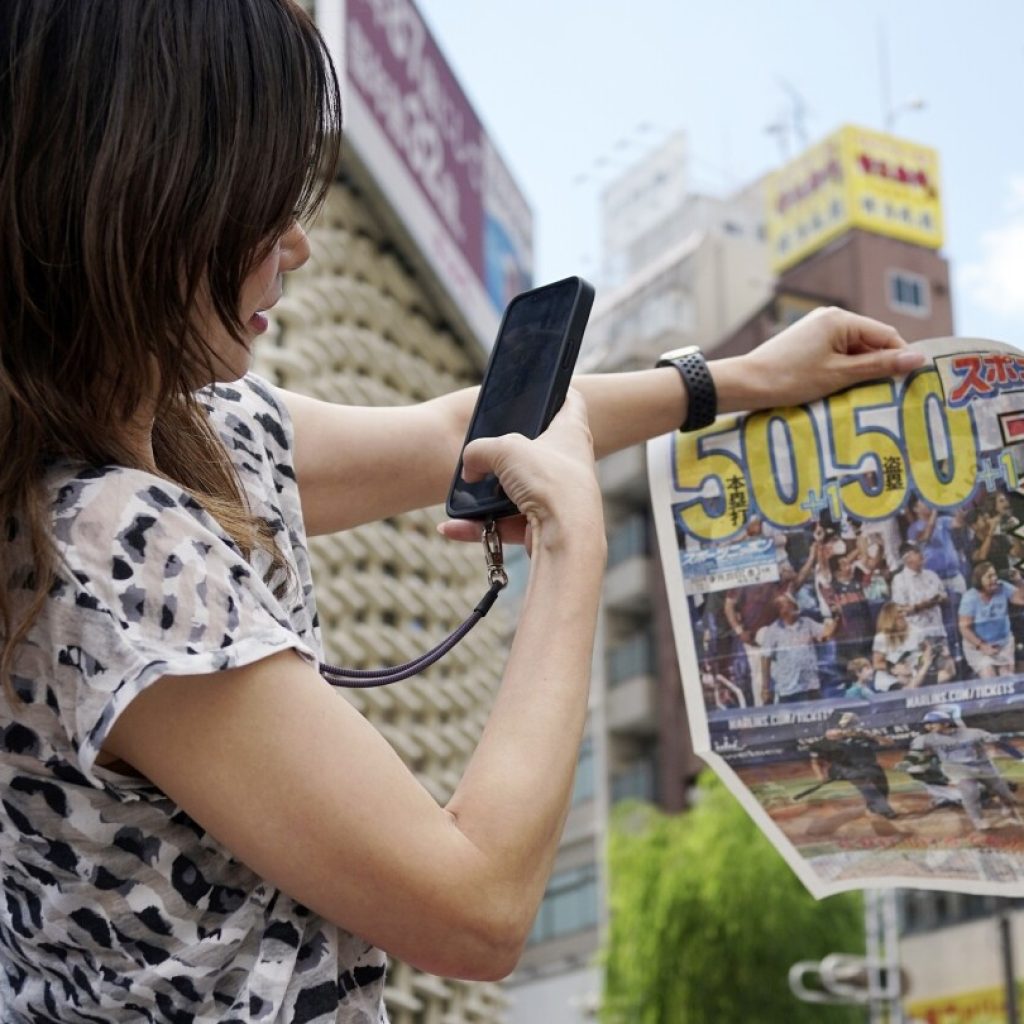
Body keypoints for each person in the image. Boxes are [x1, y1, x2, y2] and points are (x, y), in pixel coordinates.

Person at [0, 1, 926, 1018]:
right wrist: (572, 545)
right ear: (140, 199)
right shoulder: (110, 549)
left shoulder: (173, 434)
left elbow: (464, 435)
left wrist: (731, 379)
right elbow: (476, 906)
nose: (296, 247)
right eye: (261, 203)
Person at [909, 711, 1022, 830]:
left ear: (946, 723)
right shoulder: (929, 739)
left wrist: (1020, 757)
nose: (928, 727)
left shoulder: (973, 733)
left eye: (932, 723)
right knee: (970, 793)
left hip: (983, 768)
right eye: (927, 724)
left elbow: (1000, 743)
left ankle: (1006, 806)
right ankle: (978, 820)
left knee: (1004, 793)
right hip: (959, 770)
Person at [807, 712, 897, 818]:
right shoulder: (826, 741)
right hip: (846, 769)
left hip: (870, 766)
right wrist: (820, 776)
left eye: (852, 724)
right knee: (866, 786)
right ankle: (885, 810)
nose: (850, 727)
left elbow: (889, 743)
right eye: (848, 725)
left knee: (882, 788)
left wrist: (871, 735)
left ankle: (875, 806)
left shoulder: (861, 736)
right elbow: (816, 762)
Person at [759, 594, 838, 703]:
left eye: (793, 604)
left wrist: (835, 618)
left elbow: (825, 635)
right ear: (781, 611)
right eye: (789, 605)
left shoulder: (807, 622)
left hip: (810, 684)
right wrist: (766, 687)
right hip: (788, 687)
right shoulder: (773, 631)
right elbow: (765, 658)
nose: (794, 606)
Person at [958, 561, 1024, 677]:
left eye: (995, 575)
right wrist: (982, 645)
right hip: (977, 646)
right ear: (979, 581)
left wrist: (1019, 581)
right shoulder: (969, 598)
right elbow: (964, 628)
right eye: (989, 576)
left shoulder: (1002, 587)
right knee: (989, 676)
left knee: (1007, 679)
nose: (994, 579)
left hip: (1003, 643)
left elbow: (1021, 599)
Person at [891, 541, 948, 647]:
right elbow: (900, 610)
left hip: (937, 631)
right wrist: (919, 606)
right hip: (918, 636)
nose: (922, 554)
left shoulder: (931, 575)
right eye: (917, 552)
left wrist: (937, 599)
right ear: (907, 558)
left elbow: (944, 596)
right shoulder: (899, 580)